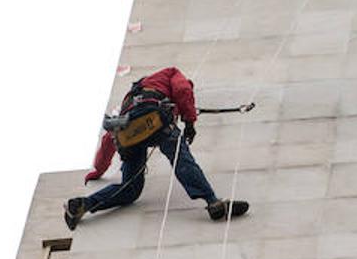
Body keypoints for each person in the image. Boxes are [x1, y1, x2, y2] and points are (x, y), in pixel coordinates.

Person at [64, 67, 249, 230]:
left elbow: (108, 139)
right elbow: (183, 90)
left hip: (129, 136)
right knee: (181, 158)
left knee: (130, 189)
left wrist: (98, 170)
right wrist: (190, 122)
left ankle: (83, 205)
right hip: (155, 119)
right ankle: (213, 202)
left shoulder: (127, 103)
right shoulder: (171, 73)